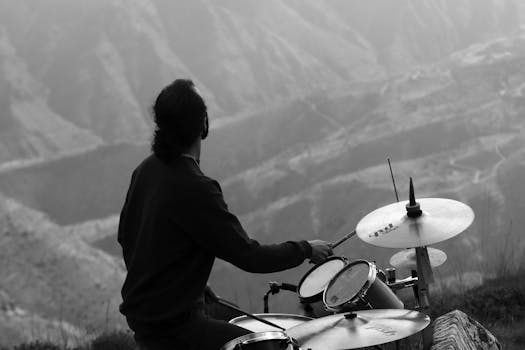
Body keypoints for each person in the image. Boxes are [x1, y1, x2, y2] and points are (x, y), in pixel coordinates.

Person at [117, 79, 333, 350]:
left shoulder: (145, 170)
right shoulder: (196, 187)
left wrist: (182, 289)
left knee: (241, 321)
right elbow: (249, 256)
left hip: (147, 321)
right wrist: (305, 249)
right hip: (175, 329)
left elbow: (126, 237)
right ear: (203, 125)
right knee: (272, 346)